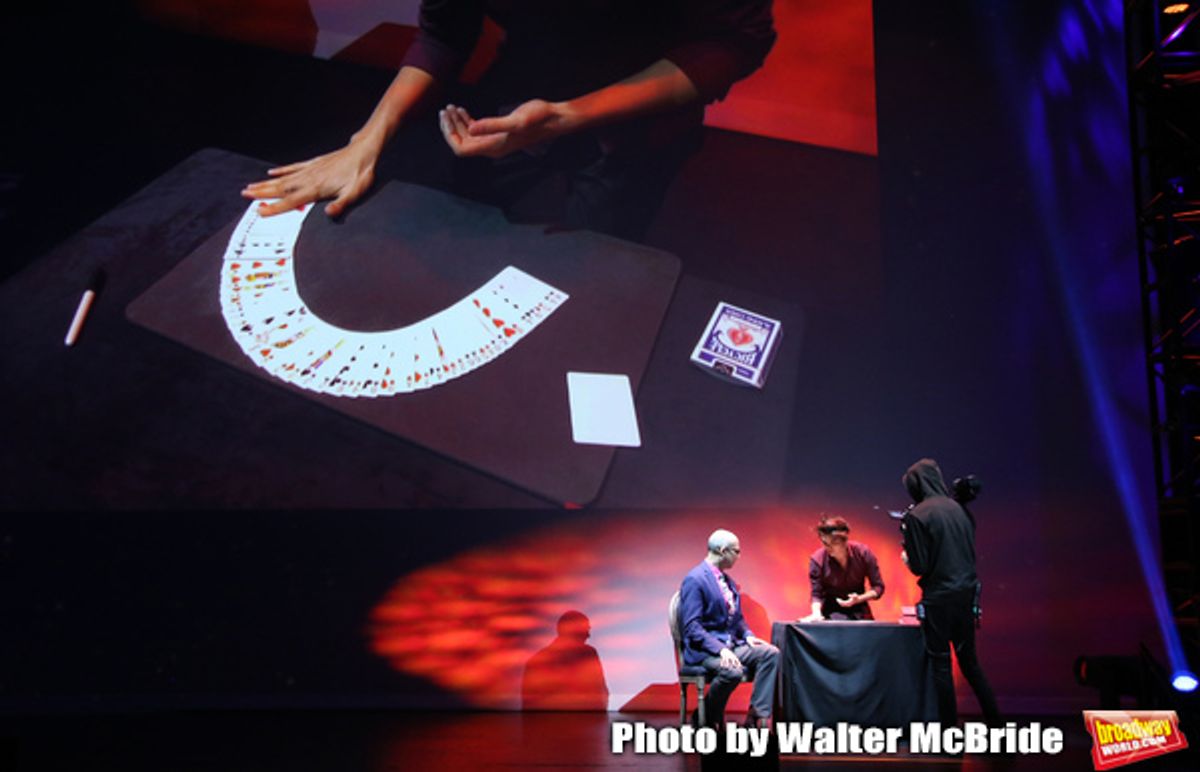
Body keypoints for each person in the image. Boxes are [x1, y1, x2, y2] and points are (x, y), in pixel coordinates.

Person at [241, 1, 777, 241]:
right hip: (522, 87)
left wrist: (569, 116)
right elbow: (445, 32)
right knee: (450, 232)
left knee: (593, 273)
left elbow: (732, 42)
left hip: (641, 112)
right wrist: (366, 142)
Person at [898, 458, 1000, 726]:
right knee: (971, 665)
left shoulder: (917, 516)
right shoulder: (960, 510)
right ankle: (998, 727)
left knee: (942, 667)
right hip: (966, 596)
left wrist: (907, 557)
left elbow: (920, 566)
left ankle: (949, 734)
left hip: (939, 599)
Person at [678, 528, 779, 728]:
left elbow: (737, 618)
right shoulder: (695, 580)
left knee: (770, 653)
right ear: (723, 551)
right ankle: (705, 717)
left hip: (730, 645)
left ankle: (756, 717)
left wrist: (747, 635)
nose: (739, 556)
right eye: (736, 551)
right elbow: (692, 627)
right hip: (705, 651)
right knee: (732, 671)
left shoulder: (726, 580)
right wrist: (720, 649)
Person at [799, 516, 885, 622]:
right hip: (832, 611)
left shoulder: (863, 553)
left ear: (845, 542)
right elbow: (817, 594)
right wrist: (816, 613)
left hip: (859, 609)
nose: (829, 548)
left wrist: (859, 599)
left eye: (834, 544)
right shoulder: (818, 560)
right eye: (825, 543)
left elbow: (878, 587)